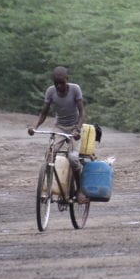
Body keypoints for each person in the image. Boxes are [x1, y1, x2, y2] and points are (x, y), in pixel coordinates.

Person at [28, 66, 88, 202]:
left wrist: (77, 129)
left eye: (61, 82)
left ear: (67, 80)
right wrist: (34, 126)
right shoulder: (50, 92)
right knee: (50, 154)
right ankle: (48, 188)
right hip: (59, 127)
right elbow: (44, 113)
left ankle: (80, 190)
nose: (59, 86)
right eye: (56, 83)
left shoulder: (75, 89)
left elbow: (82, 112)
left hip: (74, 127)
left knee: (73, 158)